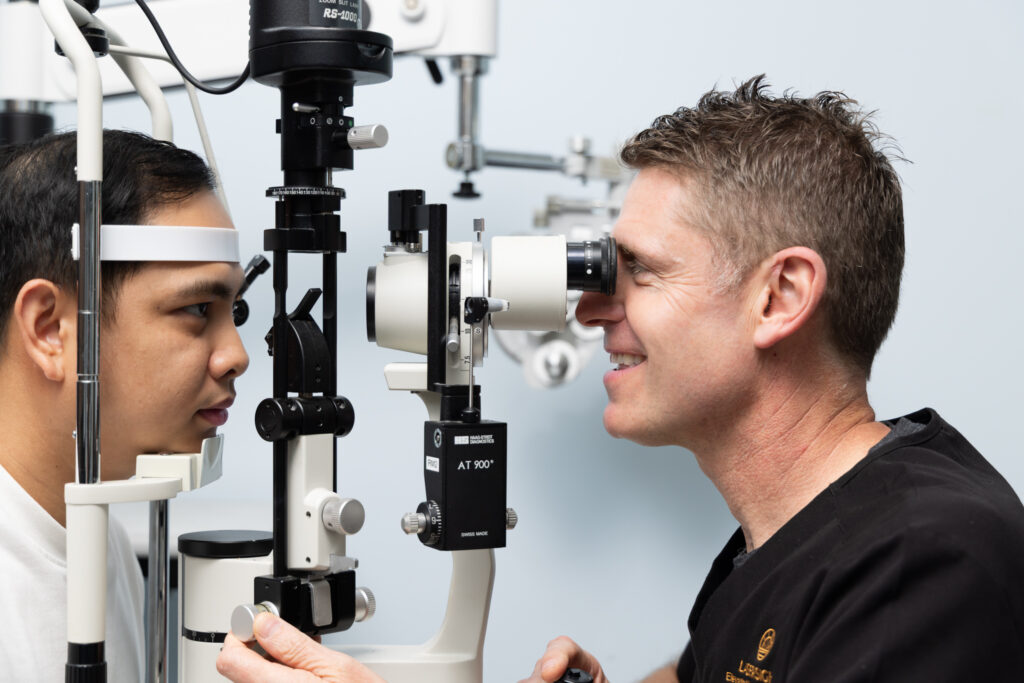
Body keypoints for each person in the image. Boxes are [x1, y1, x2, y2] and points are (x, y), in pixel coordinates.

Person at [216, 77, 1024, 683]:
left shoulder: (926, 562)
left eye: (638, 270)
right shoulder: (791, 540)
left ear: (778, 297)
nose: (594, 307)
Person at [0, 130, 249, 681]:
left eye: (237, 311)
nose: (237, 356)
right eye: (197, 308)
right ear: (51, 330)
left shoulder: (98, 535)